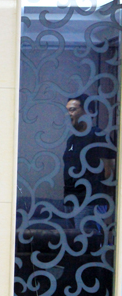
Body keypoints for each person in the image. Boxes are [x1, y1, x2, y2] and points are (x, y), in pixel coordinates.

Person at [63, 94, 115, 233]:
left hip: (90, 202)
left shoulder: (99, 135)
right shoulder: (72, 140)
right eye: (67, 110)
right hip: (70, 201)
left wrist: (100, 199)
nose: (69, 114)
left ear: (88, 111)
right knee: (73, 240)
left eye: (73, 109)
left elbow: (109, 172)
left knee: (87, 240)